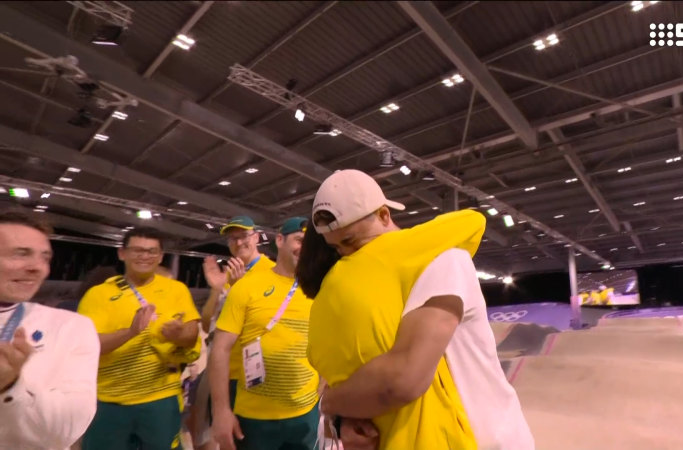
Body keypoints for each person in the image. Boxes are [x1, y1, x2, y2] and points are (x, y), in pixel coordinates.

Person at [297, 169, 534, 449]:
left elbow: (402, 379)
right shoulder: (372, 282)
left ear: (384, 215)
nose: (348, 256)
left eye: (350, 241)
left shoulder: (443, 259)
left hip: (490, 438)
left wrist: (331, 403)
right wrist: (346, 417)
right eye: (337, 249)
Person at [78, 227, 202, 450]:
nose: (145, 256)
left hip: (161, 399)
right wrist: (130, 332)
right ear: (122, 253)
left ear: (161, 256)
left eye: (151, 251)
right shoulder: (98, 294)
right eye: (137, 250)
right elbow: (87, 345)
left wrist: (179, 334)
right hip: (109, 400)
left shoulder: (177, 289)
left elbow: (192, 335)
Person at [210, 217, 320, 450]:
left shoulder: (320, 289)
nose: (305, 248)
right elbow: (220, 348)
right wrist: (221, 411)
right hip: (254, 416)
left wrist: (321, 395)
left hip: (305, 413)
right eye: (299, 240)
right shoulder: (247, 286)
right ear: (280, 240)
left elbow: (329, 345)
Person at [0, 209, 100, 449]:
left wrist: (11, 386)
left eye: (45, 257)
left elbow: (68, 429)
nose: (38, 267)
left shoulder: (71, 327)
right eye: (21, 254)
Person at [190, 216, 276, 450]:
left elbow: (265, 323)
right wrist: (218, 289)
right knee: (212, 436)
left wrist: (237, 290)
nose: (238, 243)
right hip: (222, 370)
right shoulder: (228, 274)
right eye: (233, 238)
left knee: (248, 439)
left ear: (256, 238)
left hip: (254, 375)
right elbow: (208, 324)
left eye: (243, 236)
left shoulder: (272, 271)